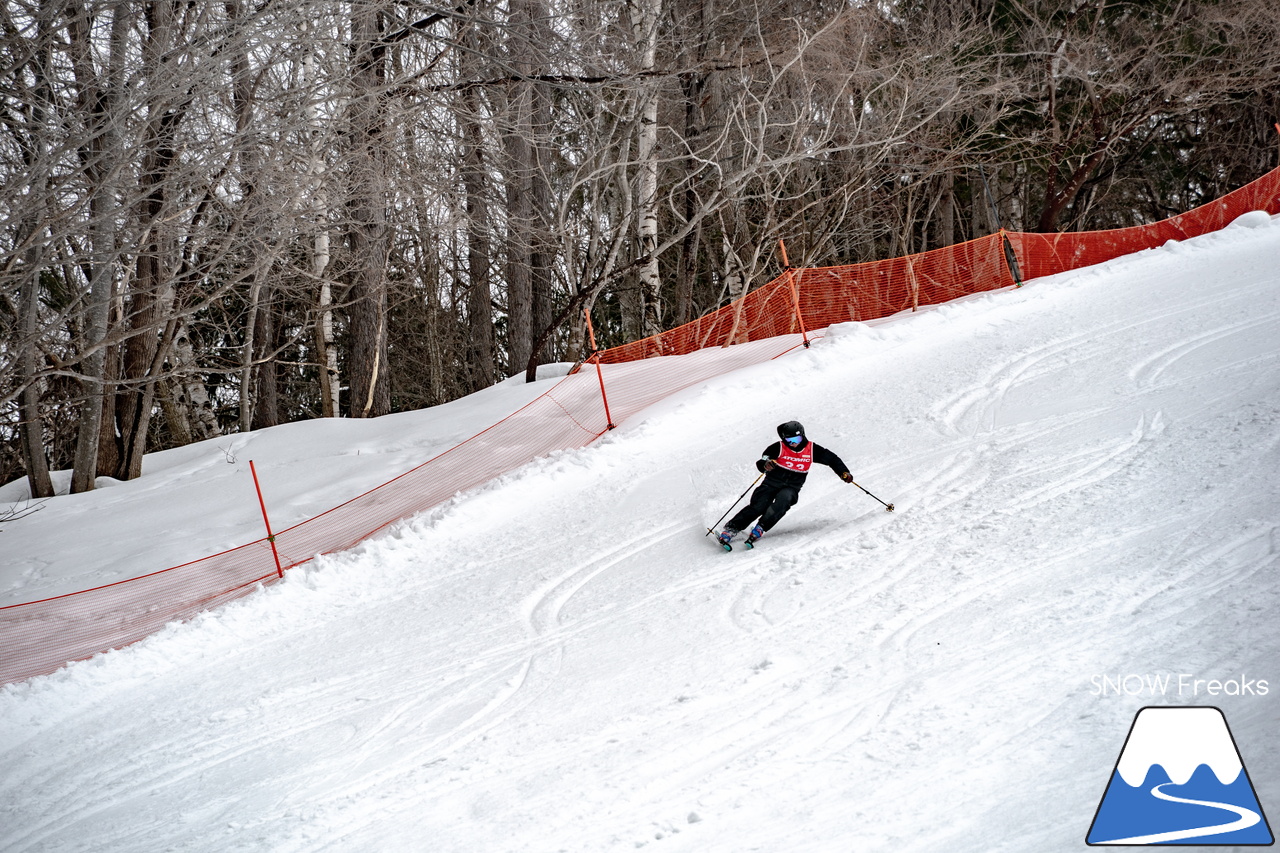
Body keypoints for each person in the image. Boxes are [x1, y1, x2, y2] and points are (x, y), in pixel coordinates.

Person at [718, 421, 854, 547]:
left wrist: (844, 473)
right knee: (759, 505)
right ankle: (731, 529)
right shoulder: (777, 447)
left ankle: (761, 527)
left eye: (797, 439)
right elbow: (762, 460)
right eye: (789, 440)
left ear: (803, 436)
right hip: (771, 483)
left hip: (792, 487)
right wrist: (766, 464)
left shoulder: (812, 449)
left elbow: (833, 459)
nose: (793, 443)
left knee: (784, 500)